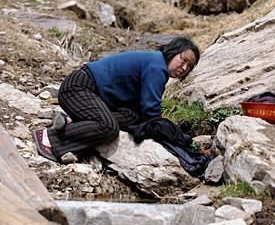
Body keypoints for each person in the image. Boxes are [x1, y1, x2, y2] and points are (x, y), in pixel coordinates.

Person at [32, 36, 200, 163]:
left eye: (189, 66)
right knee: (108, 128)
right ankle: (49, 137)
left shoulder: (155, 62)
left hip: (92, 95)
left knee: (133, 117)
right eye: (183, 60)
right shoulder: (157, 66)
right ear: (172, 52)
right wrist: (176, 138)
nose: (184, 67)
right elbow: (152, 112)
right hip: (78, 88)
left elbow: (143, 113)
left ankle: (73, 122)